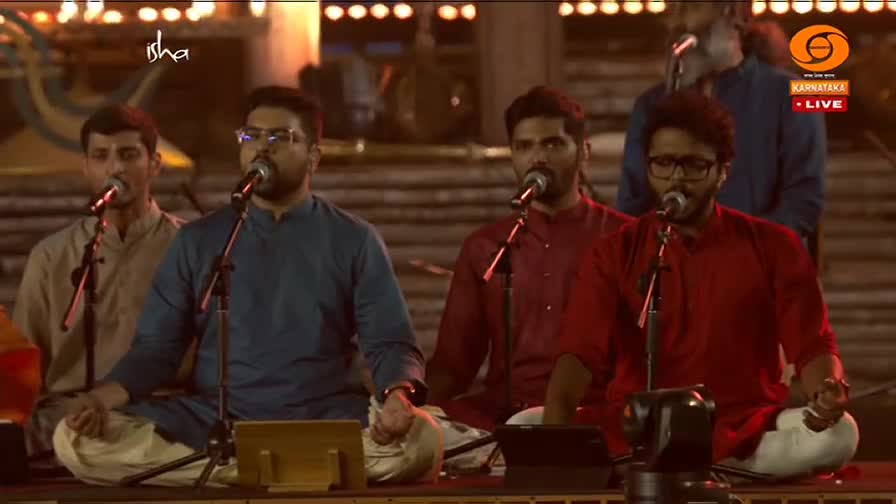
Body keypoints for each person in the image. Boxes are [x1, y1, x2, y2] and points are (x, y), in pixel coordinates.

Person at [51, 86, 443, 486]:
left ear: (314, 157)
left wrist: (397, 396)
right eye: (250, 136)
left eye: (279, 138)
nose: (261, 148)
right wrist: (102, 399)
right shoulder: (200, 240)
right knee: (75, 441)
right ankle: (289, 469)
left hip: (322, 417)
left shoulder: (354, 239)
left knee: (423, 440)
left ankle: (236, 471)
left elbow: (390, 340)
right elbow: (157, 348)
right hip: (215, 420)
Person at [541, 90, 858, 479]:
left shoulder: (774, 246)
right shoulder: (615, 251)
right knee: (528, 422)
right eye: (664, 163)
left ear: (723, 170)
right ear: (648, 166)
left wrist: (827, 389)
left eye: (694, 165)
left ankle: (670, 468)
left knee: (840, 435)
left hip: (743, 425)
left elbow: (812, 343)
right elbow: (580, 352)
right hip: (636, 426)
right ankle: (707, 471)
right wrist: (553, 434)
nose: (676, 177)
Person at [427, 86, 631, 433]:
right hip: (499, 420)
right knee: (424, 431)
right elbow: (453, 363)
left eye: (552, 144)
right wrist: (408, 408)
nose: (537, 157)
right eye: (524, 146)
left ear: (584, 153)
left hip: (592, 416)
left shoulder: (623, 239)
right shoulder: (486, 246)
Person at [13, 105, 183, 456]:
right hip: (67, 416)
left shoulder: (188, 247)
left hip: (159, 412)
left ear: (155, 164)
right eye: (101, 156)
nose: (115, 168)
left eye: (128, 154)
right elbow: (25, 363)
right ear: (86, 167)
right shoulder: (51, 256)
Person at [617, 1, 826, 241]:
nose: (678, 22)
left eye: (690, 7)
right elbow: (632, 204)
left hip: (762, 265)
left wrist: (741, 249)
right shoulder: (651, 104)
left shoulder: (792, 93)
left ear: (734, 15)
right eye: (673, 9)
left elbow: (803, 199)